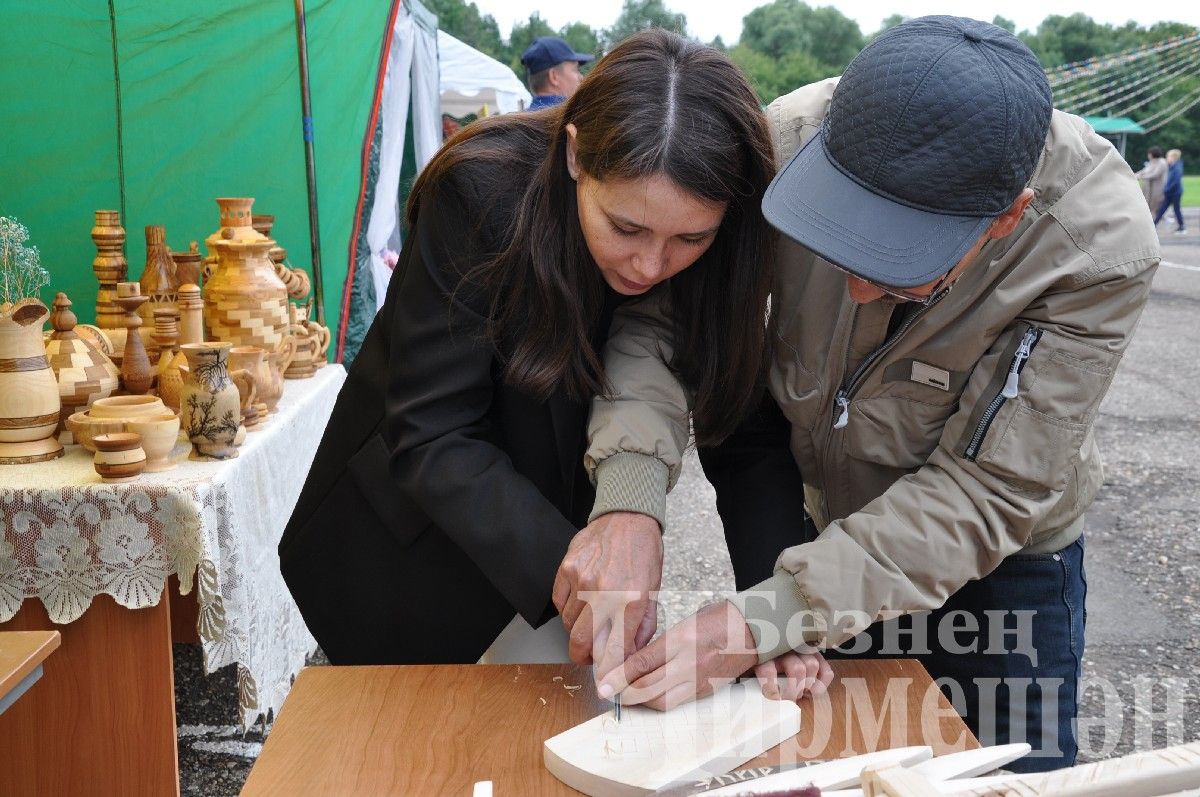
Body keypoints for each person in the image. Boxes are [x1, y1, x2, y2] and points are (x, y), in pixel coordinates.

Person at [568, 17, 1160, 773]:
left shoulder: (1092, 248)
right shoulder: (784, 137)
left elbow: (990, 486)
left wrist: (764, 618)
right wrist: (629, 493)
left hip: (1007, 567)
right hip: (831, 532)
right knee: (847, 768)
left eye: (899, 264)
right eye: (834, 234)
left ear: (1006, 217)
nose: (852, 287)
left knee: (1013, 776)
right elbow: (672, 321)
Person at [278, 30, 787, 668]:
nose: (652, 264)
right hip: (424, 547)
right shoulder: (481, 195)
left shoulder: (730, 241)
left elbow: (746, 432)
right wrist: (588, 572)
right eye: (625, 227)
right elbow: (432, 429)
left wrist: (773, 616)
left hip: (556, 546)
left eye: (689, 238)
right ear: (576, 155)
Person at [521, 36, 593, 110]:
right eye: (575, 69)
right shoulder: (573, 117)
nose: (581, 77)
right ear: (554, 76)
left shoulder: (520, 119)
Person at [1155, 148, 1186, 234]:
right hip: (1171, 192)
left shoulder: (1177, 167)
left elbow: (1175, 181)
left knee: (1175, 209)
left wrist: (1166, 189)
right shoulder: (1173, 166)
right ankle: (1154, 225)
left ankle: (1182, 227)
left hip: (1175, 193)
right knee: (1163, 208)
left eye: (1168, 157)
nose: (1166, 159)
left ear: (1174, 157)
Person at [1135, 146, 1167, 214]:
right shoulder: (1151, 162)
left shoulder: (1162, 162)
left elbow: (1155, 174)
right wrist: (1135, 175)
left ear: (1152, 154)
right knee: (1147, 204)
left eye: (1149, 153)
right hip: (1148, 188)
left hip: (1157, 188)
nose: (1148, 155)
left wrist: (1141, 177)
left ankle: (1156, 220)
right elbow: (1144, 171)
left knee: (1155, 205)